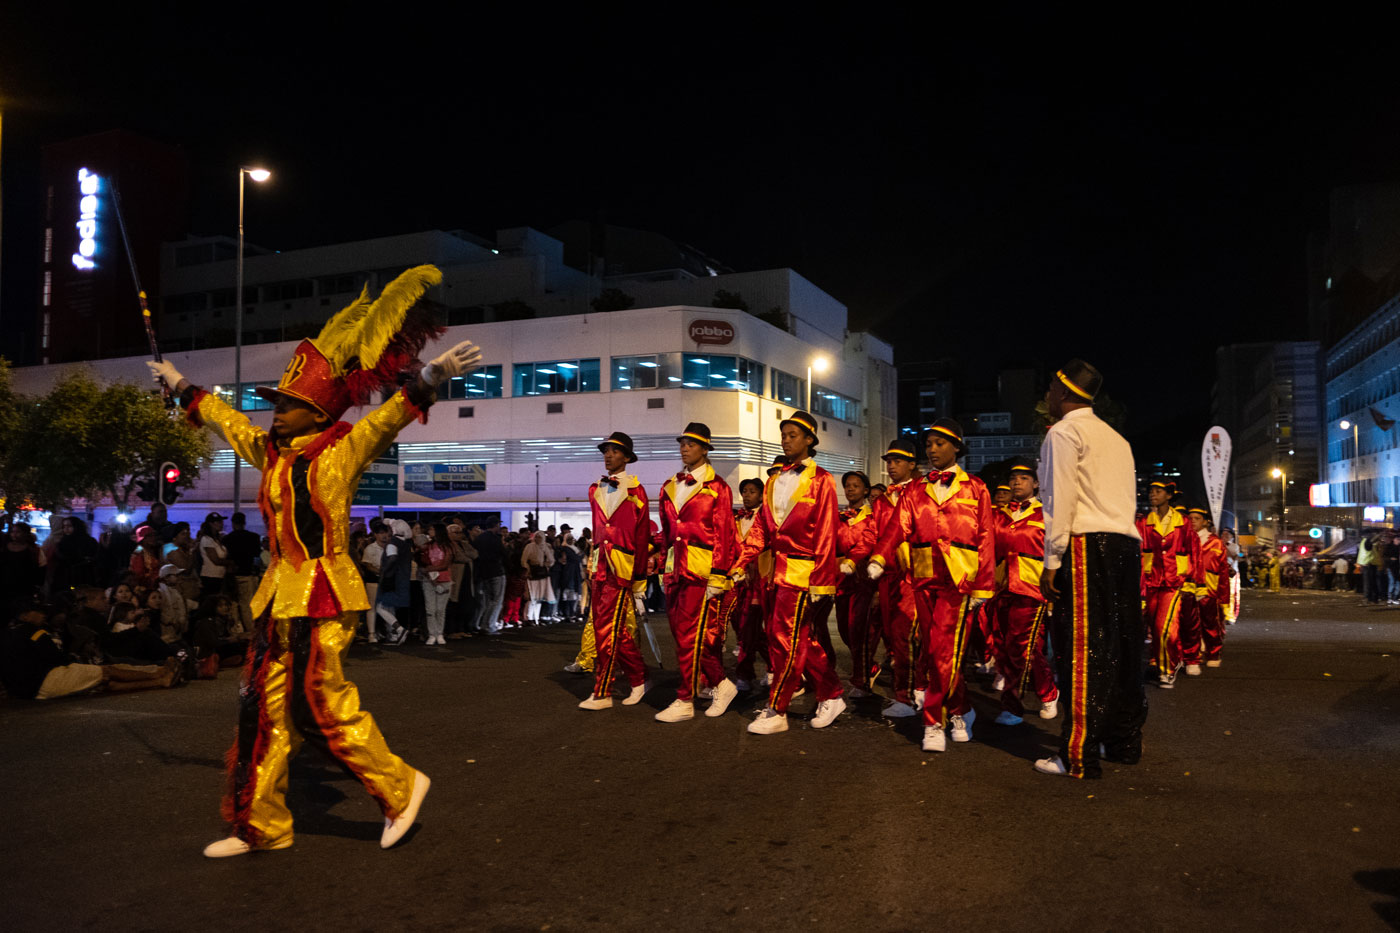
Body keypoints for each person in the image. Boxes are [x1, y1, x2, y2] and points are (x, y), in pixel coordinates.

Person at [147, 263, 477, 856]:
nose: (274, 411)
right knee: (261, 709)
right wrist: (181, 385)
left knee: (316, 700)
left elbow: (385, 420)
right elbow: (226, 423)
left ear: (319, 413)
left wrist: (427, 379)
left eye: (288, 404)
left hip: (324, 593)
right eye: (276, 403)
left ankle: (401, 788)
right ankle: (260, 825)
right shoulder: (270, 453)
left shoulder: (341, 451)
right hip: (278, 597)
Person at [1032, 360, 1145, 779]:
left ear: (1063, 392)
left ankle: (1078, 754)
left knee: (1084, 649)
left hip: (1086, 543)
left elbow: (1059, 501)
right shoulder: (1116, 438)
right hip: (1125, 544)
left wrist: (1051, 559)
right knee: (1124, 645)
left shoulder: (1064, 432)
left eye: (1049, 388)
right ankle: (1124, 742)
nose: (1046, 396)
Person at [869, 419, 995, 754]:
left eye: (940, 443)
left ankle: (933, 720)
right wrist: (880, 557)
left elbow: (986, 538)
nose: (932, 449)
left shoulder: (976, 488)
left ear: (957, 447)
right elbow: (898, 526)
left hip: (960, 581)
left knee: (942, 651)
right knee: (937, 651)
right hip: (924, 578)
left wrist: (982, 588)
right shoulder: (914, 490)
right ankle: (961, 709)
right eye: (929, 444)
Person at [731, 411, 845, 734]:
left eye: (793, 434)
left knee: (785, 640)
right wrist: (741, 562)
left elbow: (826, 532)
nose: (786, 439)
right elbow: (761, 530)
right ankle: (832, 693)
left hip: (803, 572)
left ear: (809, 440)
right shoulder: (772, 480)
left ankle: (777, 709)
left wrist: (822, 580)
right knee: (796, 639)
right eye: (784, 434)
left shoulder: (822, 479)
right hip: (775, 572)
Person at [654, 422, 740, 722]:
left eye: (691, 443)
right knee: (683, 636)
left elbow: (725, 533)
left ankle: (685, 699)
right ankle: (719, 683)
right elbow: (666, 534)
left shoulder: (718, 487)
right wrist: (660, 567)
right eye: (682, 443)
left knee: (693, 637)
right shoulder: (669, 486)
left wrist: (719, 575)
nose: (685, 448)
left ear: (705, 449)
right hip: (675, 570)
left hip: (702, 571)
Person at [577, 431, 653, 710]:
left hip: (623, 568)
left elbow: (642, 536)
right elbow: (598, 532)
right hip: (599, 568)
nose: (608, 455)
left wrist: (640, 579)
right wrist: (591, 562)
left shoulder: (637, 491)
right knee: (611, 630)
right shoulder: (593, 488)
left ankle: (603, 691)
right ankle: (639, 677)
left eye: (614, 451)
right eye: (606, 451)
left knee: (607, 630)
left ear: (627, 458)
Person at [989, 457, 1058, 725]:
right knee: (1003, 647)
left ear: (1037, 483)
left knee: (1022, 648)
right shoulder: (998, 515)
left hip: (1031, 588)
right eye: (1013, 478)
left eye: (1024, 478)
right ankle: (1047, 691)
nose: (1017, 482)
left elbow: (1056, 554)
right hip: (1000, 588)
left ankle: (1016, 706)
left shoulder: (1047, 515)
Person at [1, 604, 180, 699]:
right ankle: (159, 674)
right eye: (36, 612)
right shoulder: (33, 632)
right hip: (45, 680)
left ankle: (159, 678)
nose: (42, 615)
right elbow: (55, 657)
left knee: (105, 684)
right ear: (24, 615)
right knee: (107, 671)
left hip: (28, 690)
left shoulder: (9, 635)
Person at [869, 438, 925, 718]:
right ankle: (916, 690)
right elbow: (875, 535)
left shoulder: (922, 493)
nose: (891, 466)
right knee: (892, 637)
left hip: (914, 576)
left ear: (912, 464)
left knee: (907, 636)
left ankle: (909, 695)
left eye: (898, 461)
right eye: (889, 461)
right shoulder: (882, 500)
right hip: (887, 575)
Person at [1138, 479, 1198, 688]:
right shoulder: (1144, 522)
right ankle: (1172, 658)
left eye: (1158, 491)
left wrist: (1193, 582)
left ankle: (1167, 669)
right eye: (1151, 491)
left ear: (1169, 495)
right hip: (1151, 581)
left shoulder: (1183, 521)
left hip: (1174, 582)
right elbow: (1140, 553)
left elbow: (1193, 550)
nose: (1153, 494)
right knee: (1155, 628)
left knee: (1165, 628)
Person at [835, 470, 879, 697]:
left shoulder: (873, 518)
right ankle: (868, 667)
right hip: (842, 580)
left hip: (863, 581)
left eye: (855, 485)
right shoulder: (839, 517)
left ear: (865, 490)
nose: (850, 489)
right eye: (847, 485)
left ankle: (862, 679)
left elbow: (870, 544)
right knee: (844, 629)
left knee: (858, 629)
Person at [1186, 508, 1229, 671]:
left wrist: (1224, 598)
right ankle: (1193, 655)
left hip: (1210, 589)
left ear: (1205, 521)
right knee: (1190, 625)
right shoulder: (1185, 540)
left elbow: (1223, 571)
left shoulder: (1215, 542)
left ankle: (1213, 654)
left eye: (1197, 518)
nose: (1193, 521)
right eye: (1190, 518)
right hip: (1189, 588)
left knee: (1211, 624)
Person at [223, 512, 262, 632]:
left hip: (232, 575)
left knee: (234, 604)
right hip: (247, 573)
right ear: (244, 522)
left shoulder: (227, 539)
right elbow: (257, 555)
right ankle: (250, 629)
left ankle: (235, 628)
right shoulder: (254, 537)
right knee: (246, 604)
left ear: (233, 523)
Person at [418, 523, 453, 645]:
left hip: (444, 580)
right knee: (430, 609)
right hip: (428, 580)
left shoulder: (447, 546)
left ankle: (440, 633)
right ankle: (432, 634)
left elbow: (445, 564)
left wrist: (428, 569)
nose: (429, 530)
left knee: (440, 609)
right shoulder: (427, 546)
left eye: (432, 529)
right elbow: (422, 560)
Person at [471, 525, 507, 635]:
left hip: (484, 573)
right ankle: (488, 625)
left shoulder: (479, 539)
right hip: (496, 571)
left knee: (488, 600)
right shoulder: (495, 539)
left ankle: (482, 624)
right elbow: (503, 554)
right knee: (496, 600)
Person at [197, 512, 234, 599]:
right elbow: (215, 560)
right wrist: (230, 562)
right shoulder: (206, 539)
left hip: (219, 575)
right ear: (211, 524)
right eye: (218, 522)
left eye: (221, 521)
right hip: (210, 577)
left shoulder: (217, 540)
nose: (222, 524)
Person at [522, 531, 556, 625]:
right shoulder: (530, 546)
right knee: (532, 596)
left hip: (542, 573)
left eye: (540, 537)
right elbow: (524, 560)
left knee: (539, 597)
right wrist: (528, 569)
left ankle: (536, 617)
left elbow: (551, 559)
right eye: (537, 537)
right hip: (533, 572)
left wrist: (546, 565)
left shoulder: (545, 546)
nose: (538, 539)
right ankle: (528, 617)